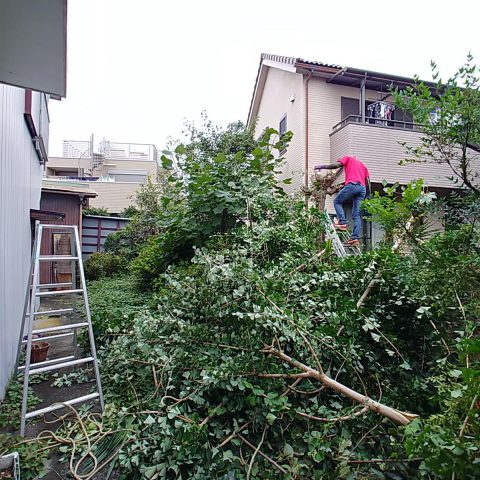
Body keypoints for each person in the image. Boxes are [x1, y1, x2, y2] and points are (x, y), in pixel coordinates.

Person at [314, 156, 370, 246]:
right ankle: (355, 238)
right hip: (362, 189)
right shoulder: (363, 166)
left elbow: (336, 165)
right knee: (356, 214)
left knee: (337, 202)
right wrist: (368, 195)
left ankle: (342, 223)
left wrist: (322, 166)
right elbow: (368, 181)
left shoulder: (347, 158)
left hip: (352, 184)